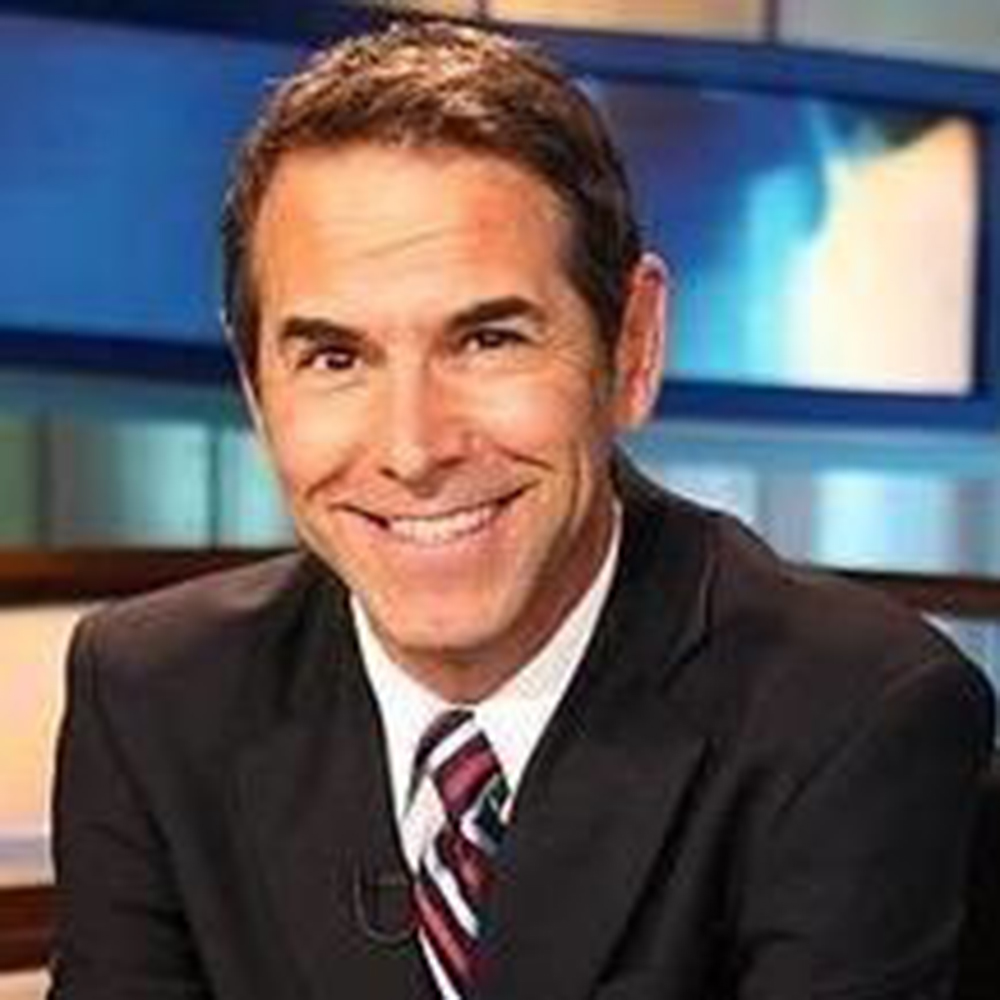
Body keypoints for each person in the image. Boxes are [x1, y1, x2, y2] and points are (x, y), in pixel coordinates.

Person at [48, 20, 994, 1000]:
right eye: (334, 357)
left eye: (487, 340)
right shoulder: (153, 693)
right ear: (255, 388)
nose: (414, 449)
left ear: (632, 345)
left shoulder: (855, 714)